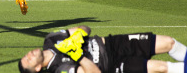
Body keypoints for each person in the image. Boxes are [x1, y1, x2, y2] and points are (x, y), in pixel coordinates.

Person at [19, 25, 187, 73]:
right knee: (162, 68)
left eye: (25, 56)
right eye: (28, 60)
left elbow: (85, 27)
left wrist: (77, 37)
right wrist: (78, 56)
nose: (28, 55)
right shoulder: (60, 69)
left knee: (169, 43)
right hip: (113, 66)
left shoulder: (51, 39)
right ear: (37, 68)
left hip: (114, 43)